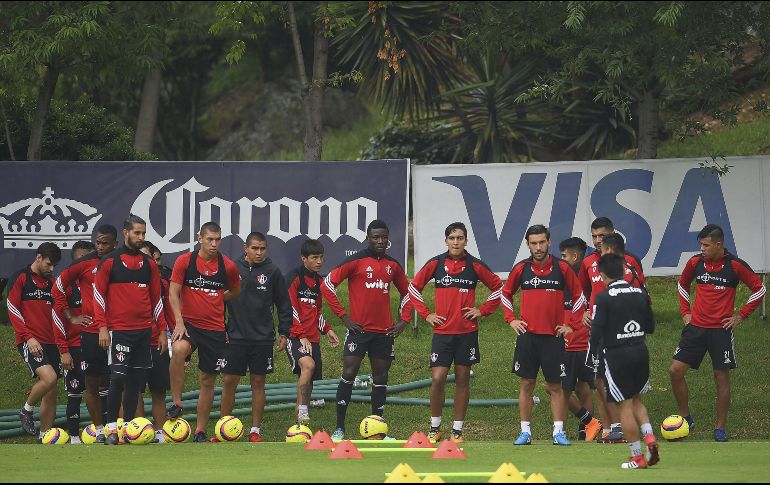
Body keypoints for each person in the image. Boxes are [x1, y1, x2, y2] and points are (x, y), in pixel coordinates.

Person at [402, 222, 502, 443]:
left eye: (460, 238)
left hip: (467, 332)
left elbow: (500, 288)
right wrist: (427, 314)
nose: (456, 242)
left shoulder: (475, 265)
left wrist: (482, 310)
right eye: (452, 238)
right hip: (443, 333)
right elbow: (412, 288)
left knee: (462, 379)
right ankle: (435, 427)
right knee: (437, 378)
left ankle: (457, 430)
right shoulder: (436, 263)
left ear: (466, 241)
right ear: (445, 240)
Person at [670, 224, 765, 442]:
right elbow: (682, 284)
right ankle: (686, 418)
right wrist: (686, 313)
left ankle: (720, 428)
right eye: (700, 245)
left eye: (706, 245)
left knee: (721, 377)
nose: (702, 249)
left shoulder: (735, 266)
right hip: (695, 329)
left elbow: (759, 288)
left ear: (719, 245)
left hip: (721, 331)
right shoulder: (696, 263)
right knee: (675, 370)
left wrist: (740, 316)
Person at [321, 220, 410, 441]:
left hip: (384, 332)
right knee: (349, 373)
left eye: (383, 237)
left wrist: (404, 320)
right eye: (375, 237)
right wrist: (344, 317)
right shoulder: (356, 261)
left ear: (388, 238)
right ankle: (340, 429)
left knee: (381, 377)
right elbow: (327, 285)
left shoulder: (393, 265)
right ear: (368, 238)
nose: (379, 241)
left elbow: (409, 294)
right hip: (358, 331)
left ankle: (377, 431)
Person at [501, 225, 585, 446]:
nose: (538, 247)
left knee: (556, 386)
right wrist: (511, 319)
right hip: (527, 337)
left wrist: (571, 325)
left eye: (541, 242)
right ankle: (525, 432)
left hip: (553, 337)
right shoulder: (521, 269)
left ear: (549, 242)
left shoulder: (562, 268)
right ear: (528, 244)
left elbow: (579, 297)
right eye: (533, 243)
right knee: (526, 383)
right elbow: (505, 293)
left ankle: (558, 433)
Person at [93, 215, 167, 445]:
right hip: (119, 331)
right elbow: (98, 297)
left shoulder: (148, 265)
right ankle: (111, 428)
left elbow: (157, 299)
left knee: (135, 381)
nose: (141, 237)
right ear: (125, 233)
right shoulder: (109, 262)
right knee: (117, 377)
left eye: (143, 234)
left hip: (144, 332)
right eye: (137, 233)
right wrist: (103, 327)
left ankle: (126, 429)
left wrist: (162, 330)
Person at [167, 222, 241, 442]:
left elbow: (236, 291)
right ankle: (177, 402)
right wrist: (179, 323)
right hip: (189, 325)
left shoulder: (227, 267)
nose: (214, 244)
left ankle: (200, 430)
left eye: (218, 239)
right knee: (178, 348)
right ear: (200, 238)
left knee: (207, 380)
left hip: (215, 329)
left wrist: (218, 298)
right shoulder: (185, 261)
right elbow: (173, 292)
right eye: (210, 239)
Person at [219, 232, 292, 442]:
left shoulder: (272, 271)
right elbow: (219, 300)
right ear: (245, 248)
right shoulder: (232, 269)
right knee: (229, 380)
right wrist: (221, 327)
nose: (259, 253)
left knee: (258, 382)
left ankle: (255, 431)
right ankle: (224, 427)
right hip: (235, 336)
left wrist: (284, 331)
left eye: (262, 249)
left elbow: (284, 304)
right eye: (255, 248)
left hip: (262, 338)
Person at [578, 217, 644, 443]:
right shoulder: (588, 262)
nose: (597, 241)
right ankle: (609, 428)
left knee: (623, 383)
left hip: (623, 333)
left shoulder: (631, 262)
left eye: (602, 236)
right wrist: (585, 312)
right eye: (594, 236)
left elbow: (642, 295)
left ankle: (628, 430)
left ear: (612, 234)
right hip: (598, 331)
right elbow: (583, 292)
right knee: (598, 380)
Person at [590, 253, 659, 469]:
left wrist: (595, 351)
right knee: (636, 400)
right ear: (623, 271)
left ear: (602, 275)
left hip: (617, 355)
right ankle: (649, 437)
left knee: (625, 406)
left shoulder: (604, 297)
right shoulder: (639, 293)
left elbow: (596, 332)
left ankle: (638, 457)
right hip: (640, 351)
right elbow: (651, 326)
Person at [52, 224, 118, 441]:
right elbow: (58, 288)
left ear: (115, 244)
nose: (99, 247)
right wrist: (71, 317)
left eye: (104, 243)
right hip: (91, 332)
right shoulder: (83, 264)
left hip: (118, 330)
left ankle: (118, 429)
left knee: (120, 382)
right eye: (97, 242)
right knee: (91, 382)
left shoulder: (121, 261)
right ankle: (99, 431)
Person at [8, 242, 67, 442]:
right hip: (30, 340)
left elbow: (60, 311)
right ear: (38, 257)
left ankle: (45, 436)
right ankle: (26, 410)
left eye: (54, 266)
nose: (51, 269)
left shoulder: (51, 283)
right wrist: (28, 337)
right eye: (49, 264)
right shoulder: (21, 277)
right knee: (49, 378)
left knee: (51, 390)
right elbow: (12, 309)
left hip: (51, 342)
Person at [282, 239, 340, 426]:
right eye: (314, 258)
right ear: (303, 258)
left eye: (321, 257)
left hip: (312, 337)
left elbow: (317, 312)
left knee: (311, 374)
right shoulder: (293, 278)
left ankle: (300, 417)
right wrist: (301, 335)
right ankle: (302, 412)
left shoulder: (319, 282)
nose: (319, 262)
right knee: (308, 366)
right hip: (295, 335)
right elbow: (289, 309)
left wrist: (328, 329)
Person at [558, 237, 601, 442]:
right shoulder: (582, 276)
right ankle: (586, 432)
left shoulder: (572, 276)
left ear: (574, 256)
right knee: (582, 387)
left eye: (564, 255)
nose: (561, 259)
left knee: (558, 388)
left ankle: (566, 431)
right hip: (581, 339)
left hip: (573, 340)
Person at [54, 240, 97, 444]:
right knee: (75, 391)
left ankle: (104, 432)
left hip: (94, 343)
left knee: (99, 388)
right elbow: (57, 318)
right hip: (72, 347)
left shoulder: (95, 283)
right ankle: (73, 436)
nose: (87, 263)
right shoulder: (67, 287)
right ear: (74, 261)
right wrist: (63, 350)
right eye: (82, 259)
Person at [135, 240, 174, 443]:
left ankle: (159, 433)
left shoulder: (162, 283)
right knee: (136, 390)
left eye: (147, 256)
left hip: (157, 342)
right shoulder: (125, 281)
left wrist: (175, 335)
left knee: (158, 390)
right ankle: (140, 430)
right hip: (134, 342)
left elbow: (169, 312)